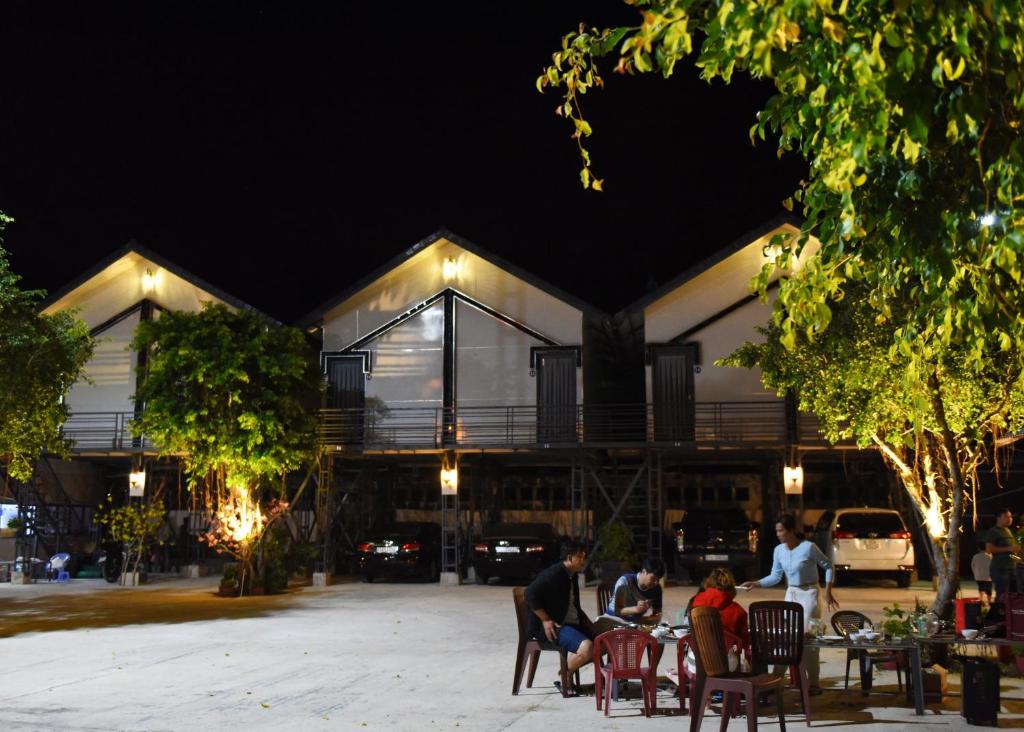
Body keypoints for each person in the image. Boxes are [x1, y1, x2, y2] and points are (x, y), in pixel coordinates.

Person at [740, 514, 838, 693]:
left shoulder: (809, 547)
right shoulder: (779, 551)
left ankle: (813, 683)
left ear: (791, 530)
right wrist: (756, 583)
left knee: (807, 638)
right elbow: (776, 576)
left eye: (781, 530)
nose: (778, 534)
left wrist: (829, 591)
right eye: (776, 530)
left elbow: (828, 566)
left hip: (810, 593)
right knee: (788, 637)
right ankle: (776, 679)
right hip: (791, 593)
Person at [525, 540, 594, 697]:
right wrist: (545, 619)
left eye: (584, 557)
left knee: (605, 642)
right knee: (587, 647)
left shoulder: (573, 576)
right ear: (569, 558)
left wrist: (589, 624)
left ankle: (569, 673)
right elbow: (529, 593)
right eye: (580, 557)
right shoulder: (554, 573)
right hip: (554, 627)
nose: (584, 561)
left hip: (571, 623)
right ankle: (565, 676)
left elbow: (574, 605)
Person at [685, 568, 750, 677]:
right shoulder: (738, 610)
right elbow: (743, 642)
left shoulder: (695, 601)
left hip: (696, 663)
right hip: (726, 665)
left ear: (709, 582)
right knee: (743, 665)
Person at [605, 558, 665, 624]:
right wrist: (636, 609)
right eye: (653, 578)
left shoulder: (656, 589)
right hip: (613, 618)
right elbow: (617, 611)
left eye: (658, 579)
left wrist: (655, 617)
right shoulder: (625, 581)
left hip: (634, 622)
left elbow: (657, 613)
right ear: (644, 571)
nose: (656, 582)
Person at [984, 508, 1019, 600]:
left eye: (1010, 517)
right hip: (1000, 569)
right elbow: (989, 549)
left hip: (1011, 568)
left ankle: (1009, 614)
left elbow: (1009, 552)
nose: (1010, 519)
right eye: (1006, 517)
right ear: (998, 518)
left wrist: (1016, 557)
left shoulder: (1008, 531)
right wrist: (1009, 548)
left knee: (1013, 595)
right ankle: (998, 613)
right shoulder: (993, 531)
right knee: (1002, 595)